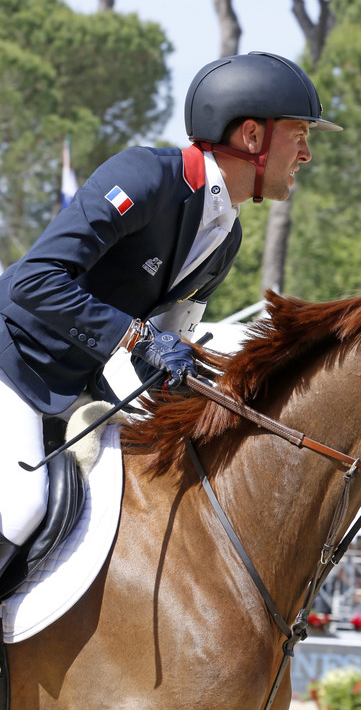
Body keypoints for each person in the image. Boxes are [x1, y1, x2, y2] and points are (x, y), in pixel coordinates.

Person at [0, 51, 341, 581]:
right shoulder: (146, 177)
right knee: (22, 508)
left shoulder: (225, 236)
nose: (307, 155)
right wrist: (135, 337)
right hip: (12, 366)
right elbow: (31, 282)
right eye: (299, 135)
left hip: (73, 391)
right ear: (252, 136)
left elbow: (168, 348)